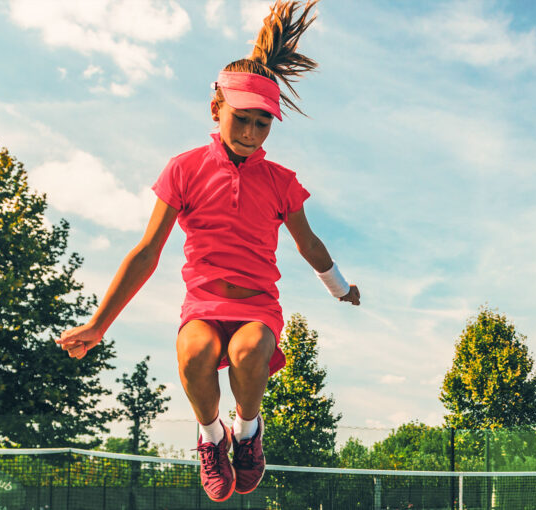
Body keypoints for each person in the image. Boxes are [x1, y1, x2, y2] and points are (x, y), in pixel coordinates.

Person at [55, 0, 359, 502]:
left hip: (257, 305)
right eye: (242, 119)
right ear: (215, 107)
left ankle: (246, 434)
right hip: (203, 304)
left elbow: (308, 243)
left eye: (264, 124)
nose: (251, 133)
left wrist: (340, 287)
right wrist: (98, 325)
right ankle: (212, 438)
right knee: (195, 352)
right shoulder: (183, 169)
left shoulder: (281, 182)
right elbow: (147, 252)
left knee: (247, 351)